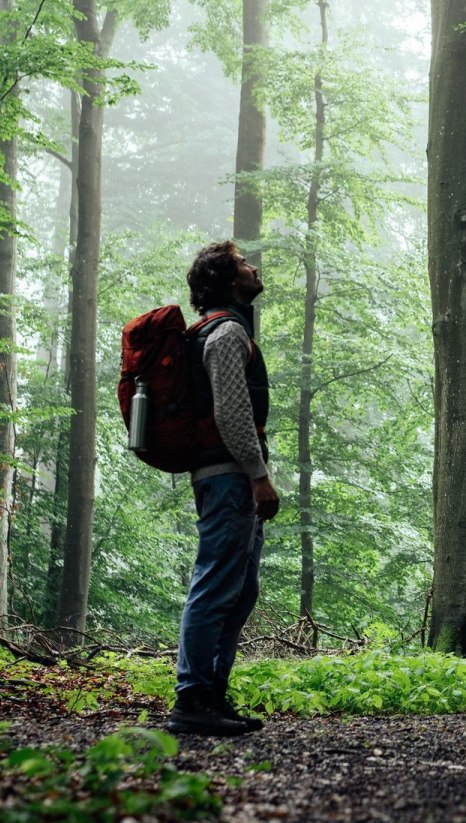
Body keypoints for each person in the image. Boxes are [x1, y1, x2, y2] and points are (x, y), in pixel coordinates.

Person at [168, 241, 280, 736]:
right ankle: (192, 698)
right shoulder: (227, 333)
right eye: (242, 263)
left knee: (239, 588)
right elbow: (232, 415)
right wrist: (259, 476)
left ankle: (211, 694)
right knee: (216, 585)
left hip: (226, 474)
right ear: (228, 280)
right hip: (229, 477)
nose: (253, 267)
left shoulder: (219, 331)